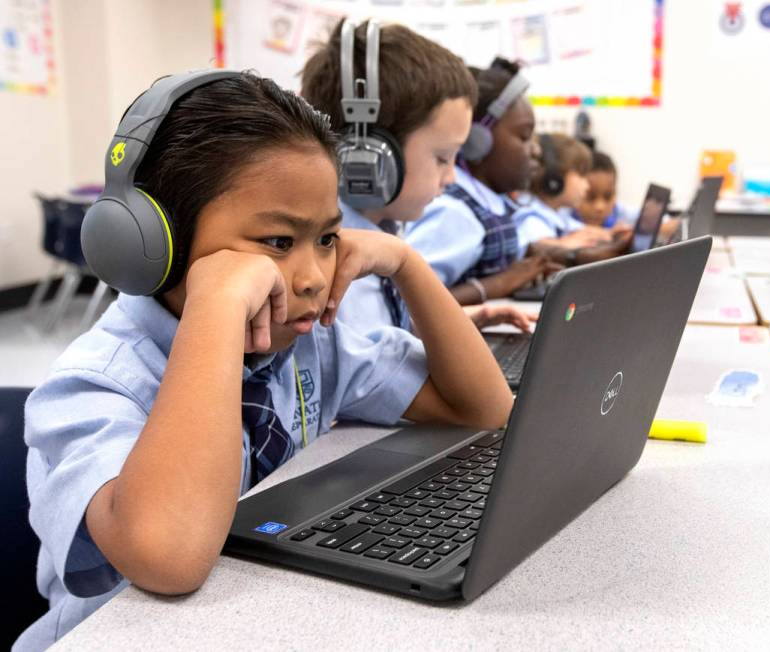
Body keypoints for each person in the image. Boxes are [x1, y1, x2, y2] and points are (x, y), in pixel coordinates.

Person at [15, 72, 513, 650]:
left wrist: (406, 264)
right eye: (279, 242)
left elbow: (481, 408)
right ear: (154, 243)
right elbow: (170, 556)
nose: (312, 278)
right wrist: (218, 303)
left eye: (327, 239)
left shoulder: (308, 343)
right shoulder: (95, 388)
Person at [301, 24, 537, 331]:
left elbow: (382, 333)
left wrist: (465, 320)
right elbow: (368, 370)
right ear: (368, 153)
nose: (451, 177)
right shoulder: (332, 273)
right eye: (442, 158)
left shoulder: (382, 234)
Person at [402, 58, 560, 306]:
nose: (536, 150)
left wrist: (575, 257)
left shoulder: (487, 201)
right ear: (478, 140)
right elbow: (409, 301)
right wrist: (497, 285)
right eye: (524, 136)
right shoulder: (454, 212)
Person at [517, 133, 632, 266]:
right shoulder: (533, 218)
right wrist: (563, 245)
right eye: (582, 175)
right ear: (554, 181)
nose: (586, 185)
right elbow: (532, 247)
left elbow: (582, 230)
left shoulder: (558, 215)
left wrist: (610, 234)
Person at [571, 150, 636, 228]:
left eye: (608, 197)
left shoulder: (619, 212)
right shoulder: (562, 221)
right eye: (590, 197)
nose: (600, 207)